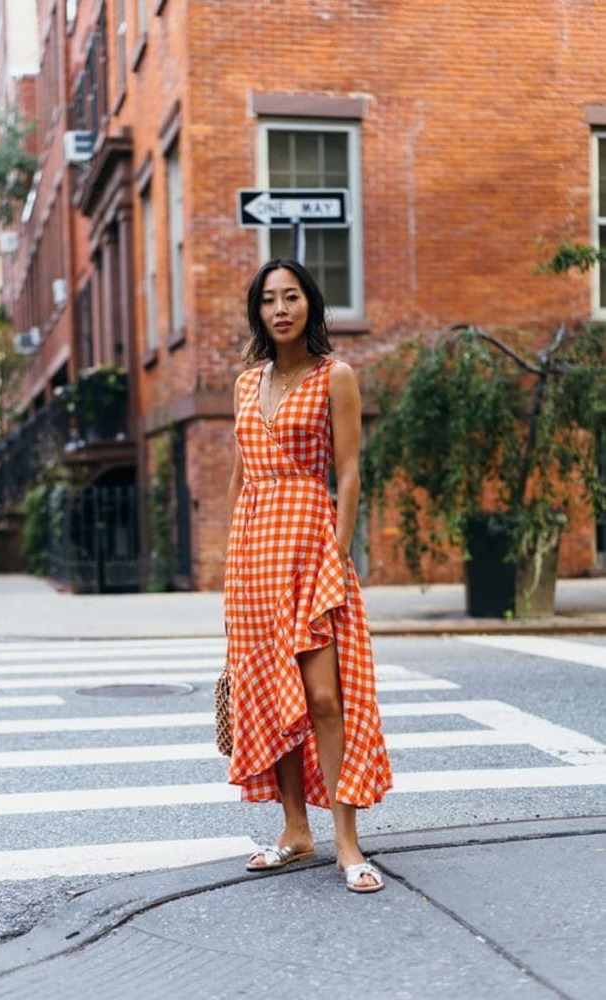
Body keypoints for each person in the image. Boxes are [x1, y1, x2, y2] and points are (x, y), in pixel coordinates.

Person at [224, 258, 393, 894]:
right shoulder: (245, 385)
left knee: (325, 696)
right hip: (254, 554)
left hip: (312, 542)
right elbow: (240, 479)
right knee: (273, 699)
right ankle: (296, 830)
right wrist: (230, 563)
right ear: (258, 313)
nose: (280, 309)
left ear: (309, 306)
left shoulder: (335, 376)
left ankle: (347, 841)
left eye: (291, 297)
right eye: (269, 300)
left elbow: (347, 473)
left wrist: (339, 550)